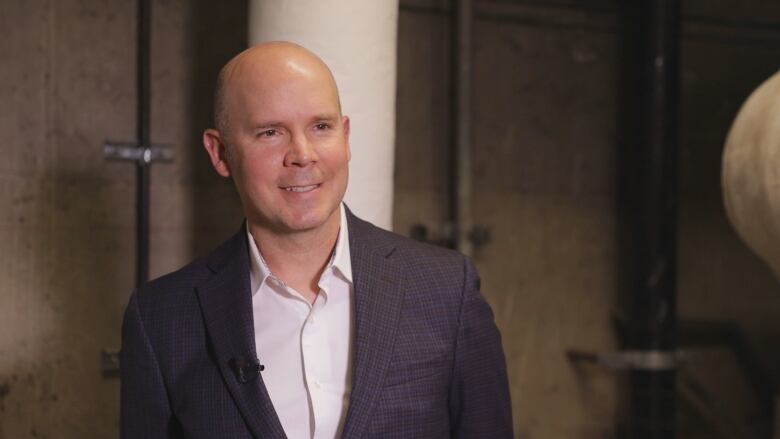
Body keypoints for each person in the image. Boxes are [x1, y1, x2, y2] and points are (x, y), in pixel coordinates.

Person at [120, 41, 512, 439]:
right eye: (270, 132)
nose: (302, 155)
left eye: (320, 127)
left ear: (345, 136)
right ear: (220, 153)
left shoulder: (446, 290)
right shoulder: (161, 320)